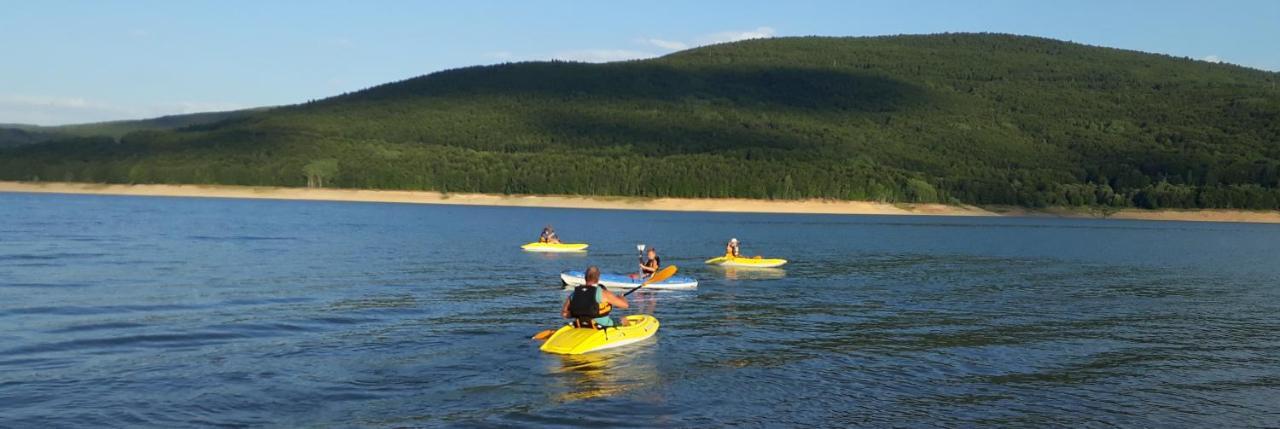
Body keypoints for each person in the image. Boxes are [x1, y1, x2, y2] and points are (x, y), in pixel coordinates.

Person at [562, 266, 630, 328]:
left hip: (580, 324)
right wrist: (621, 298)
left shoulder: (575, 293)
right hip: (601, 326)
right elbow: (625, 305)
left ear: (585, 278)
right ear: (598, 278)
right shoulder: (603, 293)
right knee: (623, 319)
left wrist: (579, 313)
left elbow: (564, 313)